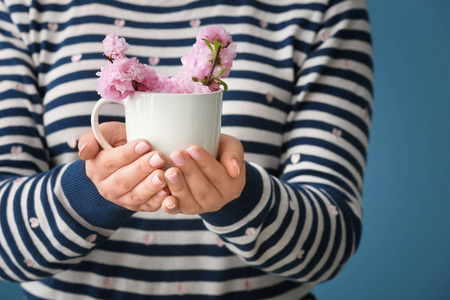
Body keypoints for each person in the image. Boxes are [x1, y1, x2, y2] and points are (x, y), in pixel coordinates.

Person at [0, 0, 373, 299]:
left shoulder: (319, 6)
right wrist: (94, 189)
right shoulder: (24, 7)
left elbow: (332, 242)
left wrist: (239, 196)